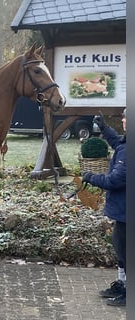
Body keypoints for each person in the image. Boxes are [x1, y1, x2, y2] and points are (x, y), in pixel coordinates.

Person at [82, 108, 126, 306]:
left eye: (127, 117)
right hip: (123, 210)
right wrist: (104, 127)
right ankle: (122, 284)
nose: (124, 120)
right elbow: (118, 143)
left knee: (125, 250)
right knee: (120, 248)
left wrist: (92, 177)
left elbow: (116, 180)